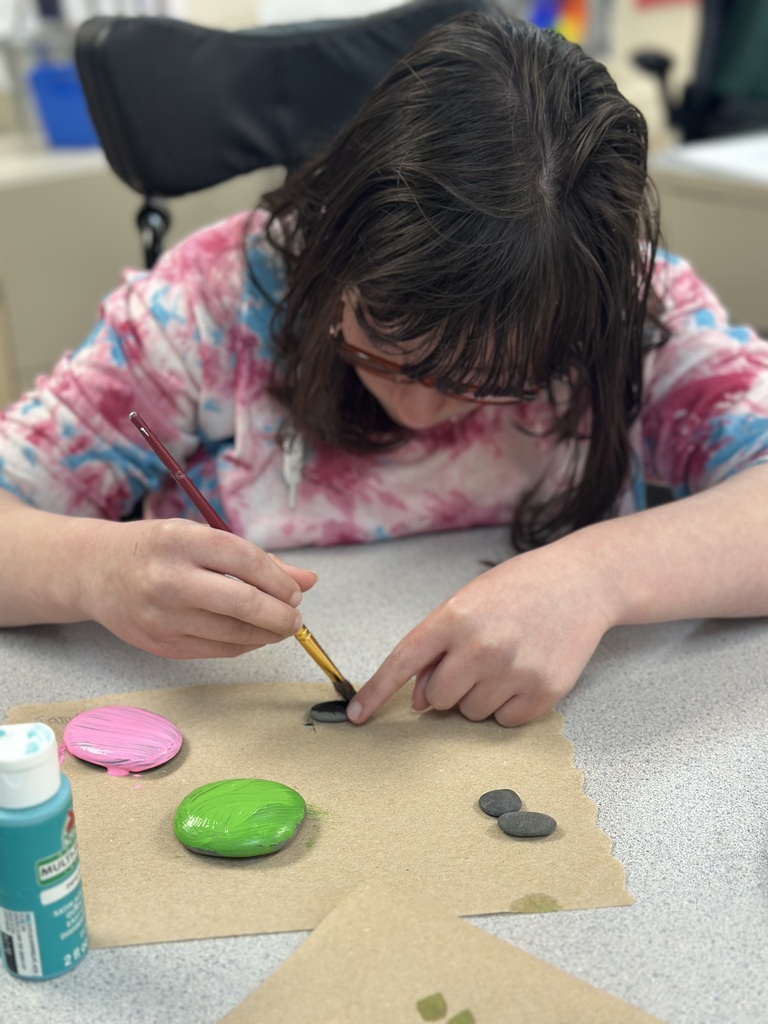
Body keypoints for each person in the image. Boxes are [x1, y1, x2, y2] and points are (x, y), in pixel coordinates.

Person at [0, 12, 767, 728]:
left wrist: (596, 578)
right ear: (335, 254)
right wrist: (95, 572)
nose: (425, 409)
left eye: (492, 381)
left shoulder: (623, 305)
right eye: (383, 353)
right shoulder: (204, 309)